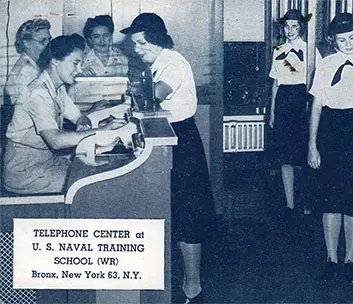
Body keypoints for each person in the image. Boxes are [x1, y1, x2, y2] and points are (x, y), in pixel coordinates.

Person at [120, 13, 216, 303]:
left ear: (156, 39)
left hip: (181, 139)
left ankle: (193, 288)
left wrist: (134, 99)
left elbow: (156, 95)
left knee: (188, 216)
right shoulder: (155, 64)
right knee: (173, 211)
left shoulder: (173, 63)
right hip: (165, 136)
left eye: (140, 43)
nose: (136, 49)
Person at [308, 13, 353, 283]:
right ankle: (331, 257)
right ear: (333, 40)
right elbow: (316, 107)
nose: (348, 44)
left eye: (352, 38)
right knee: (330, 199)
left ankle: (350, 258)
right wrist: (312, 145)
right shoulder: (326, 66)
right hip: (331, 131)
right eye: (342, 40)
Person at [3, 34, 125, 194]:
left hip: (48, 162)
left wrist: (83, 127)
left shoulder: (57, 88)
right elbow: (56, 141)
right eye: (75, 63)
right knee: (94, 187)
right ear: (55, 61)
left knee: (99, 173)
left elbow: (80, 117)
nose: (79, 70)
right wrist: (102, 130)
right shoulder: (37, 93)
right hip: (25, 173)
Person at [268, 9, 311, 218]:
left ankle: (306, 202)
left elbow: (314, 84)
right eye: (287, 26)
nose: (290, 30)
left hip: (302, 100)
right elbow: (275, 84)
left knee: (302, 156)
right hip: (284, 101)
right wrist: (273, 113)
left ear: (301, 27)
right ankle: (290, 204)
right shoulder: (278, 50)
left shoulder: (310, 50)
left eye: (295, 26)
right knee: (285, 156)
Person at [4, 18, 51, 105]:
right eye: (42, 41)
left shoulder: (34, 64)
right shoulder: (26, 71)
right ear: (26, 43)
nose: (48, 45)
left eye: (49, 40)